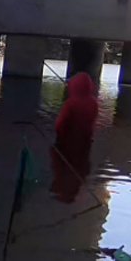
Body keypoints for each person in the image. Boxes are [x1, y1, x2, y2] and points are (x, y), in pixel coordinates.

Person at [50, 72, 99, 204]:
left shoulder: (71, 103)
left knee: (63, 167)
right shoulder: (93, 103)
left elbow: (59, 124)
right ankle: (73, 188)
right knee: (79, 168)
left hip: (67, 143)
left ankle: (62, 188)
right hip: (85, 144)